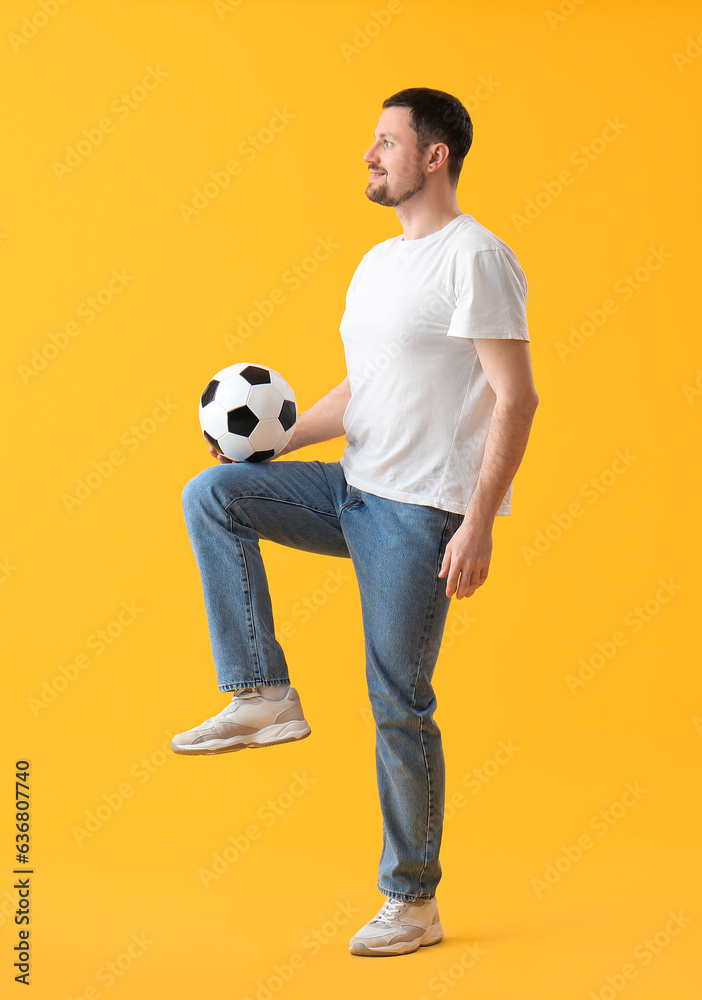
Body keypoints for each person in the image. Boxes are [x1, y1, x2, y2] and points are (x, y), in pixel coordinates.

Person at [173, 87, 539, 957]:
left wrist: (478, 523)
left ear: (434, 155)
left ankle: (412, 900)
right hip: (352, 488)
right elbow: (361, 393)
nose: (370, 155)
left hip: (420, 514)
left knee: (398, 702)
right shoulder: (378, 265)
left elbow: (518, 397)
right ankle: (262, 693)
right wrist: (268, 443)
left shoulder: (476, 259)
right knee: (212, 495)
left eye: (386, 142)